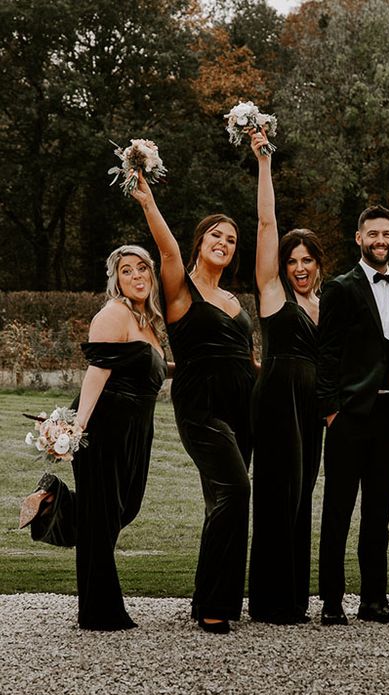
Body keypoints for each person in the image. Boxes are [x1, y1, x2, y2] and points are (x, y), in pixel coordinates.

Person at [131, 172, 257, 634]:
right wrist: (148, 202)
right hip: (200, 407)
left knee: (223, 500)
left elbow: (245, 357)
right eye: (215, 235)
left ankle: (213, 597)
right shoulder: (181, 289)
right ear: (200, 242)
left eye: (231, 239)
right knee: (236, 489)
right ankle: (213, 603)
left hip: (242, 407)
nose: (223, 242)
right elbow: (165, 251)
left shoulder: (232, 299)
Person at [21, 245, 167, 630]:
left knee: (123, 508)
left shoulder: (148, 320)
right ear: (115, 279)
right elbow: (97, 372)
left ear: (151, 275)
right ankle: (102, 613)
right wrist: (77, 428)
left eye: (142, 269)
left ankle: (53, 499)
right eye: (126, 271)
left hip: (136, 431)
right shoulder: (113, 314)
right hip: (106, 427)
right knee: (103, 519)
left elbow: (151, 368)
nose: (136, 276)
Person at [316, 205, 389, 625]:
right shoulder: (340, 288)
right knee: (338, 510)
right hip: (349, 416)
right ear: (359, 238)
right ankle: (331, 601)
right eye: (373, 234)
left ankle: (374, 600)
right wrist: (330, 411)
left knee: (378, 513)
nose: (381, 241)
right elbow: (327, 354)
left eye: (387, 234)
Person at [247, 129, 325, 624]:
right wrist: (264, 163)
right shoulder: (273, 294)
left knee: (302, 494)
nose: (298, 266)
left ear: (318, 264)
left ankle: (295, 596)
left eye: (306, 260)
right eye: (292, 259)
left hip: (313, 403)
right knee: (276, 492)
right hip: (277, 397)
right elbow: (266, 222)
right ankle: (270, 600)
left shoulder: (327, 304)